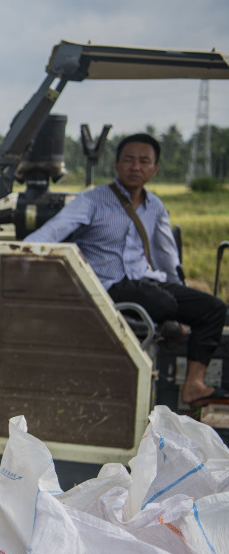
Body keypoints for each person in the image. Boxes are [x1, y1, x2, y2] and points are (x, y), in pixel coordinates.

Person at [25, 132, 228, 408]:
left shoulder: (154, 206)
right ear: (116, 165)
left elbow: (166, 256)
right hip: (105, 286)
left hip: (142, 282)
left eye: (144, 161)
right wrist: (15, 255)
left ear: (155, 169)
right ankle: (167, 314)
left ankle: (194, 386)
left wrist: (182, 298)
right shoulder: (92, 200)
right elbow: (51, 231)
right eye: (129, 160)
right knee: (161, 301)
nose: (136, 167)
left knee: (213, 309)